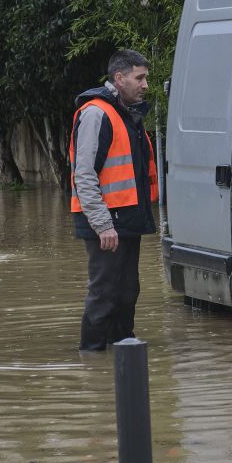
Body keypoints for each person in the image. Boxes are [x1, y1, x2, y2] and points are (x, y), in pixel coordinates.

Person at [69, 49, 158, 352]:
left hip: (126, 220)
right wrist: (103, 224)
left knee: (127, 291)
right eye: (140, 77)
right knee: (105, 292)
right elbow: (84, 175)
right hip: (107, 222)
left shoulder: (126, 113)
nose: (145, 84)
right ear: (119, 79)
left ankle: (123, 355)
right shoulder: (96, 114)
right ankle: (92, 359)